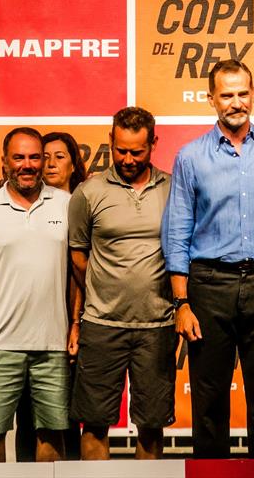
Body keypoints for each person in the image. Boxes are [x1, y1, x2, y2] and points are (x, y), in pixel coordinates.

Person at [162, 59, 254, 458]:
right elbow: (177, 234)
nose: (236, 102)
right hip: (208, 286)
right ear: (211, 100)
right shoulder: (190, 157)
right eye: (227, 95)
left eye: (243, 93)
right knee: (209, 401)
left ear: (253, 95)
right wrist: (182, 303)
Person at [0, 127, 72, 462]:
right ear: (5, 161)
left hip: (53, 346)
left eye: (34, 157)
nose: (27, 164)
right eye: (19, 157)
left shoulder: (66, 205)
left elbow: (78, 275)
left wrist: (75, 325)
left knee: (51, 433)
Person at [68, 107, 176, 460]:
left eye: (137, 151)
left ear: (153, 144)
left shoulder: (174, 189)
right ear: (110, 142)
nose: (128, 159)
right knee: (94, 422)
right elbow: (78, 255)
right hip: (101, 325)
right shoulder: (89, 192)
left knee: (151, 425)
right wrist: (105, 288)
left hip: (158, 326)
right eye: (121, 150)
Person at [13, 131, 87, 462]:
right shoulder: (21, 206)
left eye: (60, 155)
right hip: (27, 331)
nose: (51, 162)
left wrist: (76, 321)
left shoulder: (82, 205)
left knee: (68, 416)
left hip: (71, 328)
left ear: (74, 164)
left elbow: (82, 273)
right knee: (28, 418)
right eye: (46, 155)